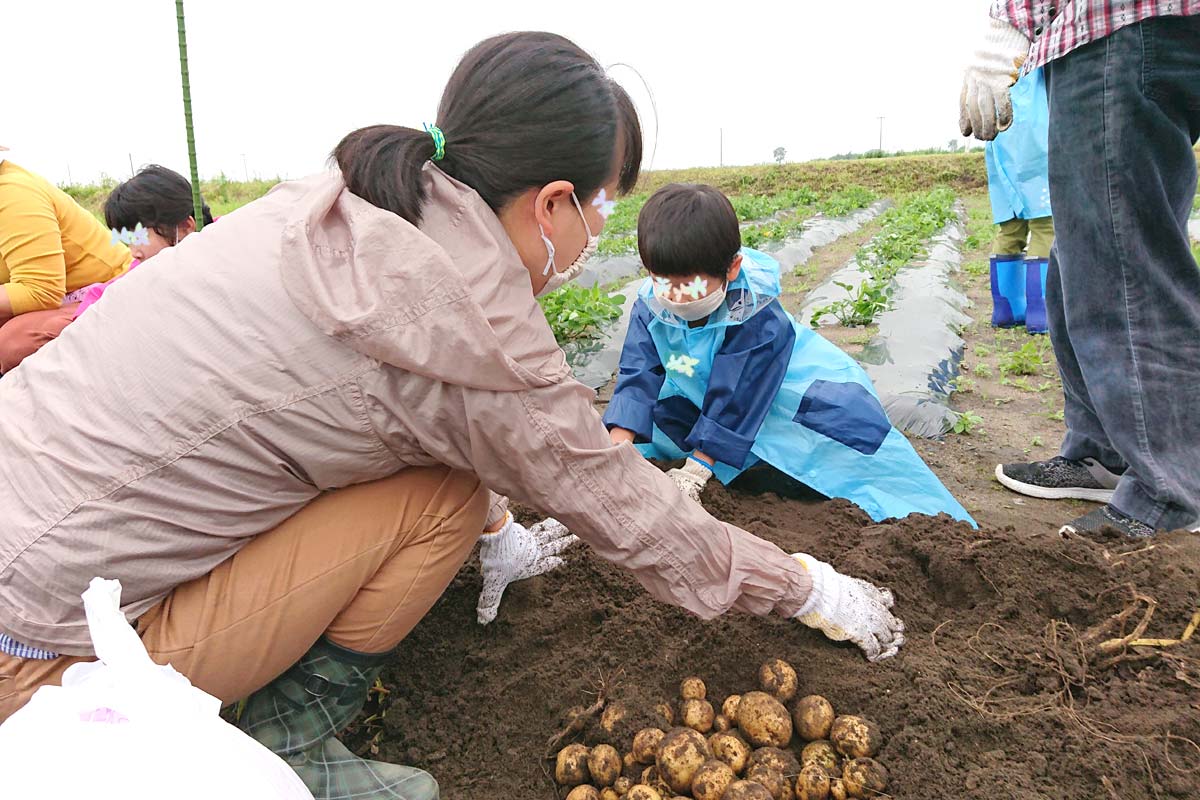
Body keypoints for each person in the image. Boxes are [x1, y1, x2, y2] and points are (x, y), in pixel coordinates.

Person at [0, 33, 904, 800]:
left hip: (33, 542)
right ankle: (285, 743)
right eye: (603, 209)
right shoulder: (468, 326)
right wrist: (808, 588)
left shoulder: (333, 201)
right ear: (554, 202)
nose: (598, 238)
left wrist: (500, 524)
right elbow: (631, 514)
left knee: (441, 471)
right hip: (48, 662)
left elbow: (408, 413)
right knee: (441, 493)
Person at [601, 183, 975, 526]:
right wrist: (619, 447)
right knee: (660, 423)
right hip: (703, 385)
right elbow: (638, 373)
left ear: (732, 269)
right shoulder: (651, 306)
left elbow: (737, 395)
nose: (675, 297)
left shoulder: (755, 314)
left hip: (782, 391)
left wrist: (698, 469)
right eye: (662, 281)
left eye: (691, 285)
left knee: (829, 451)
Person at [960, 2, 1200, 536]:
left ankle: (1173, 492)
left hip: (1119, 28)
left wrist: (1009, 24)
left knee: (1122, 267)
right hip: (1121, 34)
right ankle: (1103, 455)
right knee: (1082, 258)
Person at [0, 148, 132, 371]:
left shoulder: (12, 193)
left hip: (105, 295)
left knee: (12, 341)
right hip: (58, 300)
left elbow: (40, 291)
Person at [69, 164, 214, 319]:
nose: (133, 252)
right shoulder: (144, 267)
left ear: (185, 227)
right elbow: (102, 295)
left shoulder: (224, 257)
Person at [984, 66, 1054, 334]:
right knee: (1045, 224)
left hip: (1002, 140)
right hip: (1035, 138)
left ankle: (1006, 310)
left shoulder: (998, 65)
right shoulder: (1040, 61)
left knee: (1010, 226)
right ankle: (1041, 312)